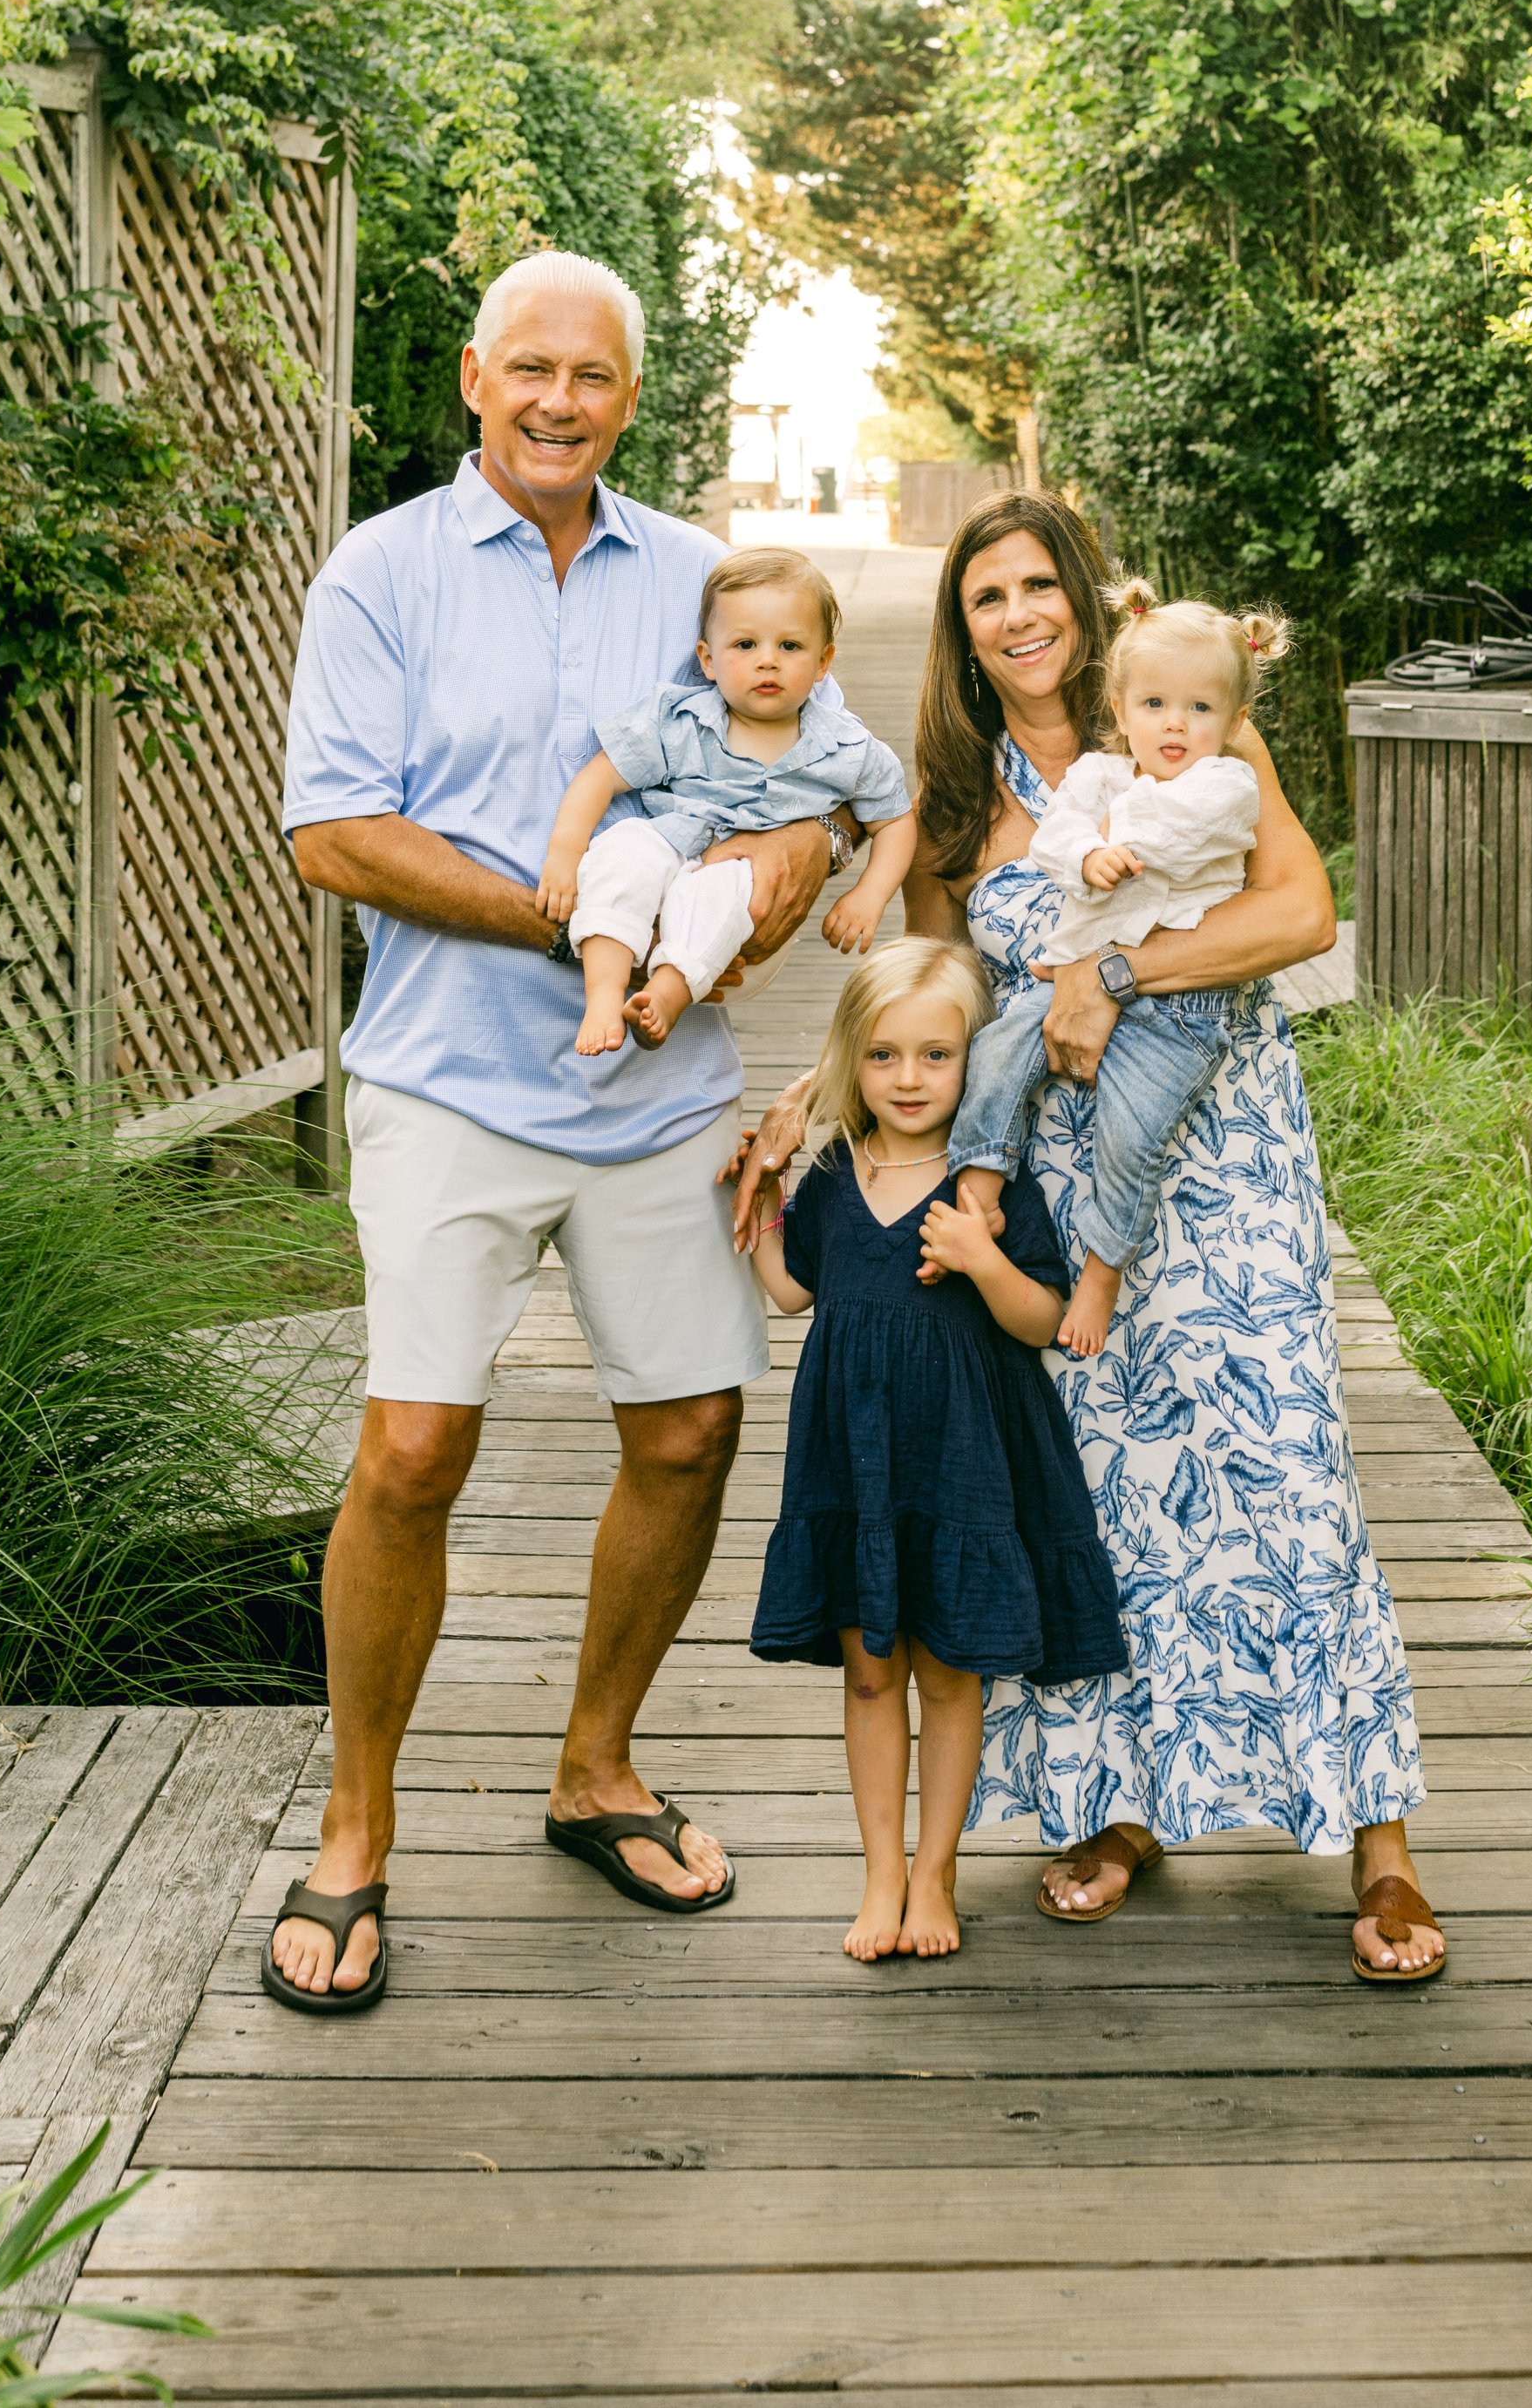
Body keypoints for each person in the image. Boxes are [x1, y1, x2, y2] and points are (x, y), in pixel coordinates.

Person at [735, 491, 1445, 1982]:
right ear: (963, 631)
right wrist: (818, 1087)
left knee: (1289, 1463)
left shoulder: (1185, 725)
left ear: (1084, 593)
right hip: (1053, 1183)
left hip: (1227, 1153)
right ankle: (1122, 1810)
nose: (1019, 616)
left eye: (1038, 584)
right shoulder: (957, 800)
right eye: (986, 597)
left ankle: (1377, 1842)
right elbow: (936, 996)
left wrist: (1113, 970)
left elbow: (1301, 915)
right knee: (1105, 1484)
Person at [265, 248, 854, 2011]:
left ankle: (596, 1768)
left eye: (591, 376)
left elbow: (804, 771)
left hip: (657, 1097)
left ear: (628, 397)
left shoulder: (697, 576)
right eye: (528, 368)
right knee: (409, 1452)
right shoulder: (380, 572)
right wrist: (575, 920)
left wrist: (778, 862)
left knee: (688, 1432)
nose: (557, 402)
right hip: (446, 1080)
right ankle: (355, 1830)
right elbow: (334, 831)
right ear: (473, 378)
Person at [748, 937, 1127, 1963]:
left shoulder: (987, 1185)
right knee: (870, 1672)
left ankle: (934, 1873)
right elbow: (791, 1292)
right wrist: (761, 1198)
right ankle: (879, 1875)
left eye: (936, 1055)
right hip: (855, 1460)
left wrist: (981, 1259)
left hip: (960, 1460)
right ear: (850, 1059)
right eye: (883, 1055)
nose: (908, 1078)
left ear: (976, 1061)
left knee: (951, 1673)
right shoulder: (835, 1173)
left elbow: (1044, 1320)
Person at [942, 580, 1283, 1360]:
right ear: (1121, 709)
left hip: (1179, 1010)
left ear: (1234, 722)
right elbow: (1054, 839)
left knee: (1132, 1140)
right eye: (1155, 704)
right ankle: (979, 1178)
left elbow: (1174, 835)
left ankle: (1102, 1270)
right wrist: (1085, 851)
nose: (1175, 723)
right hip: (1068, 970)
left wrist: (1105, 839)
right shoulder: (1101, 775)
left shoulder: (1227, 782)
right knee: (999, 1051)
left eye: (1200, 708)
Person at [536, 545, 914, 1057]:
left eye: (790, 646)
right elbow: (600, 776)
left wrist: (871, 893)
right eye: (745, 644)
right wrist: (565, 852)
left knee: (720, 893)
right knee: (623, 851)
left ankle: (665, 994)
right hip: (671, 841)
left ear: (823, 662)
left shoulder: (846, 747)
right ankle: (603, 994)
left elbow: (895, 820)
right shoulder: (682, 721)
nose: (767, 660)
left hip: (740, 880)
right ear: (708, 660)